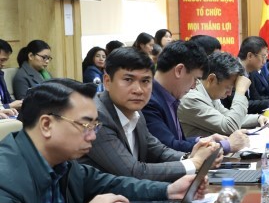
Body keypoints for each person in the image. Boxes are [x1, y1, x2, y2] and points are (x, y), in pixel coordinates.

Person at [0, 79, 212, 203]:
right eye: (85, 125)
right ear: (47, 125)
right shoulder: (5, 172)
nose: (93, 136)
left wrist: (168, 190)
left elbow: (112, 183)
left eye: (95, 126)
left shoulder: (64, 163)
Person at [80, 47, 220, 182]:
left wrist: (191, 156)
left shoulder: (136, 113)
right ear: (107, 82)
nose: (138, 90)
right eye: (128, 80)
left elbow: (158, 151)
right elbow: (132, 172)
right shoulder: (96, 116)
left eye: (145, 81)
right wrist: (195, 163)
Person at [178, 51, 267, 138]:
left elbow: (227, 116)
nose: (229, 93)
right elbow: (230, 127)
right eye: (228, 88)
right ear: (212, 79)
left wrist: (257, 119)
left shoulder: (209, 92)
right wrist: (240, 92)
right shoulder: (191, 98)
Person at [143, 40, 212, 153]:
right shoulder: (148, 100)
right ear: (179, 70)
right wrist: (222, 145)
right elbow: (168, 147)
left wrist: (202, 141)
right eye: (195, 79)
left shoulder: (168, 96)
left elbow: (177, 140)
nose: (194, 86)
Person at [223, 36, 269, 114]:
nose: (265, 62)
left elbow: (256, 99)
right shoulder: (233, 72)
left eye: (266, 57)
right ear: (250, 56)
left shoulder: (251, 71)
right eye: (263, 56)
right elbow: (239, 105)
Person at [0, 39, 22, 110]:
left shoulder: (0, 75)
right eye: (2, 60)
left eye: (6, 60)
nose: (4, 64)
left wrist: (21, 103)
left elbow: (7, 100)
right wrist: (9, 106)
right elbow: (8, 105)